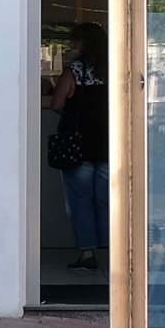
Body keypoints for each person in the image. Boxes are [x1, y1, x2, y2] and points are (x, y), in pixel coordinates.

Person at [51, 21, 109, 271]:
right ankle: (110, 252)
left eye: (75, 41)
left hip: (78, 145)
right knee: (106, 201)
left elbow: (56, 103)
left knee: (80, 202)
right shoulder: (114, 68)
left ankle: (87, 253)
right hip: (109, 144)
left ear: (83, 43)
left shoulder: (75, 70)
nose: (71, 45)